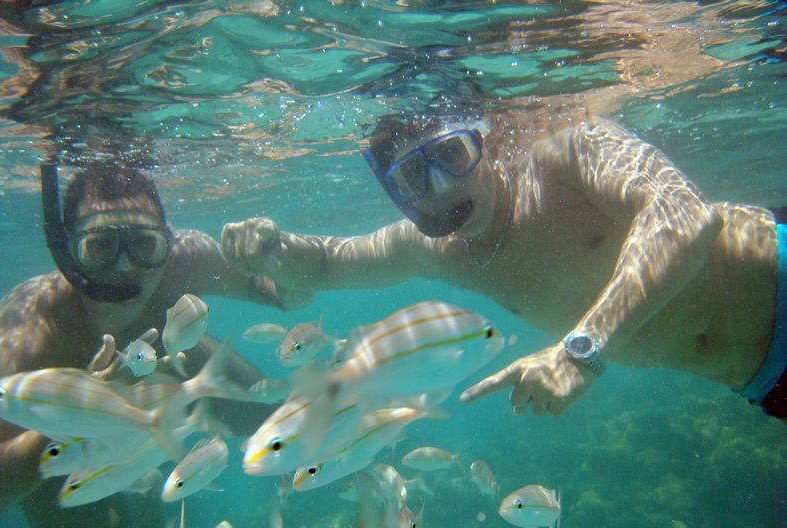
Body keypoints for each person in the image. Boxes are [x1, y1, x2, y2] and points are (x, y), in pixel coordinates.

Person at [221, 113, 785, 420]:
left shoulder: (568, 152)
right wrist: (274, 251)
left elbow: (684, 217)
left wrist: (579, 352)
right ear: (396, 196)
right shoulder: (433, 249)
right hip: (763, 384)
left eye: (451, 154)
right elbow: (324, 265)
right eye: (413, 178)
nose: (441, 189)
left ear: (484, 144)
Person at [0, 162, 303, 528]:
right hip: (67, 445)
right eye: (100, 246)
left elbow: (286, 293)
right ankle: (141, 502)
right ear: (66, 253)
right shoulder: (34, 328)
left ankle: (151, 474)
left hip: (172, 368)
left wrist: (279, 256)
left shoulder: (187, 261)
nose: (125, 266)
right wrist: (68, 415)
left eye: (144, 245)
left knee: (275, 424)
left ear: (169, 242)